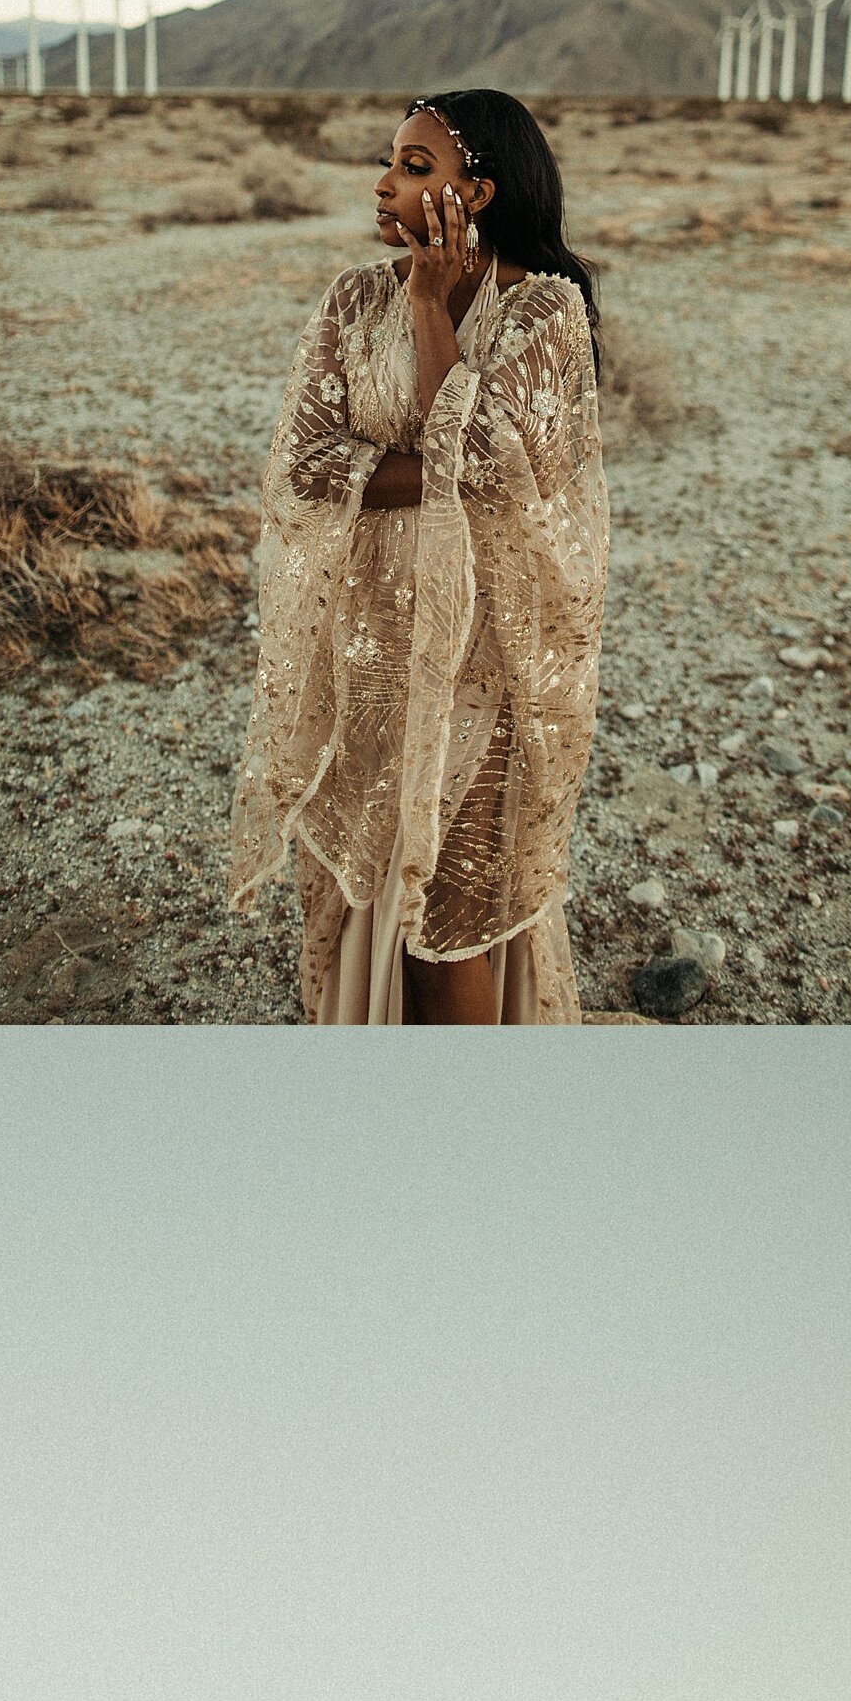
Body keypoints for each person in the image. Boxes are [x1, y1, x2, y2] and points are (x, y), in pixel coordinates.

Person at [230, 91, 608, 1026]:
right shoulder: (356, 297)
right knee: (369, 888)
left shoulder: (543, 313)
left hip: (491, 655)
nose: (384, 182)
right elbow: (302, 465)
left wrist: (433, 304)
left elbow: (481, 461)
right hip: (371, 644)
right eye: (392, 160)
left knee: (449, 916)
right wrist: (442, 469)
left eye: (414, 167)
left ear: (475, 193)